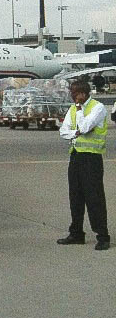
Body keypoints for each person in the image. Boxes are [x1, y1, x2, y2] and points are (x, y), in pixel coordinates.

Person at [57, 80, 110, 250]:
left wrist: (80, 112)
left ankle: (102, 235)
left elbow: (85, 127)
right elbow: (63, 131)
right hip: (76, 156)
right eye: (71, 92)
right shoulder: (72, 109)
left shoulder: (98, 107)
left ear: (84, 93)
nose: (72, 95)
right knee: (76, 196)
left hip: (92, 159)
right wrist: (75, 132)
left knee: (94, 198)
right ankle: (76, 233)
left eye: (75, 92)